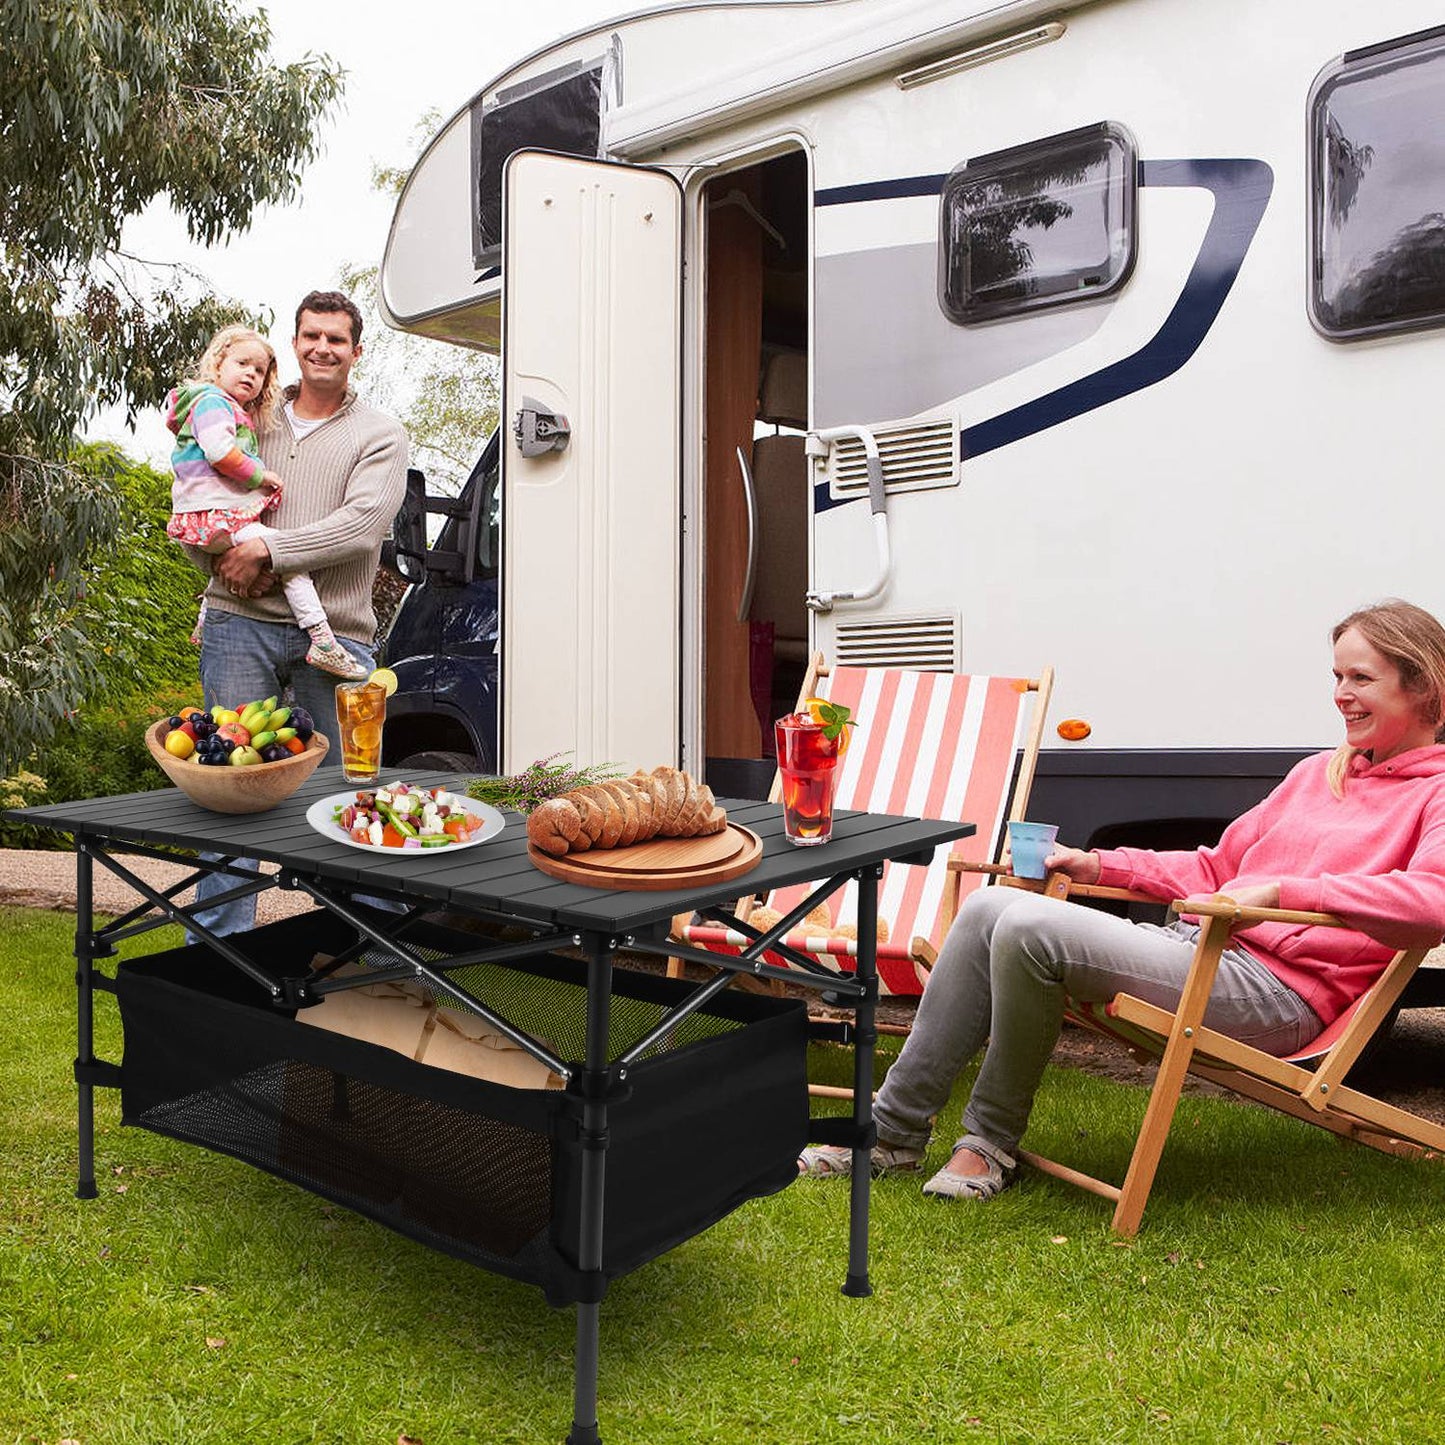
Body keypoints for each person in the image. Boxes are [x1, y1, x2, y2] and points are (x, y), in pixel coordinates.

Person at [800, 599, 1445, 1201]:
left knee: (1029, 928)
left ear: (1422, 688)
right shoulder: (1317, 773)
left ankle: (987, 1143)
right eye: (1336, 677)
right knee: (988, 907)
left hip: (1281, 993)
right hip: (1199, 950)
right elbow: (1214, 866)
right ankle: (889, 1133)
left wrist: (1285, 890)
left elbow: (1433, 899)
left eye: (1361, 679)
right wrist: (1101, 863)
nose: (1341, 696)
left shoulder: (1434, 790)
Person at [185, 291, 409, 937]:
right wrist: (223, 564)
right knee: (231, 791)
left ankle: (368, 957)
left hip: (336, 633)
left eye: (336, 339)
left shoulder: (380, 433)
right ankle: (216, 959)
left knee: (349, 795)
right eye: (311, 335)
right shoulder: (247, 418)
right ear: (295, 342)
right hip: (238, 624)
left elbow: (362, 526)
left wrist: (267, 548)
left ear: (356, 351)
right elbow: (201, 495)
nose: (321, 348)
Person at [165, 324, 371, 679]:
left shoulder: (222, 409)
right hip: (217, 518)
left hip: (206, 520)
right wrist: (261, 477)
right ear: (218, 365)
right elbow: (218, 453)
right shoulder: (213, 403)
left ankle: (203, 621)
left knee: (267, 555)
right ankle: (322, 639)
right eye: (242, 363)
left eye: (259, 371)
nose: (250, 373)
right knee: (288, 559)